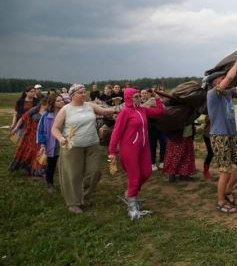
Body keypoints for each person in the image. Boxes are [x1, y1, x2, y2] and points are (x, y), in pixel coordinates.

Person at [51, 83, 118, 214]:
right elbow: (55, 128)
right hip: (72, 147)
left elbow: (104, 111)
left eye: (84, 92)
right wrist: (60, 138)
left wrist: (119, 108)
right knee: (73, 175)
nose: (84, 94)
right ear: (72, 95)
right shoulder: (66, 109)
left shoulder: (90, 106)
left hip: (92, 144)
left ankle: (85, 196)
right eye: (80, 93)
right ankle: (73, 203)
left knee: (95, 172)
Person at [109, 88, 164, 219]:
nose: (138, 98)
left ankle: (130, 194)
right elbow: (116, 133)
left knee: (146, 173)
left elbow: (159, 111)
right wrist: (111, 151)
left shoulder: (142, 110)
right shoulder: (125, 112)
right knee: (134, 177)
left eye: (139, 96)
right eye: (135, 96)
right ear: (128, 97)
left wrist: (157, 97)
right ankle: (132, 209)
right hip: (129, 149)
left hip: (143, 147)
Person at [206, 55, 237, 213]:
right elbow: (231, 76)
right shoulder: (213, 94)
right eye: (223, 78)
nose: (226, 79)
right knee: (225, 170)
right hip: (219, 136)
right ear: (216, 82)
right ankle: (220, 202)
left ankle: (228, 190)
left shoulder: (228, 93)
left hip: (231, 135)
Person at [9, 99, 47, 176]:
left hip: (42, 135)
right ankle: (27, 166)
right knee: (29, 150)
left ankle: (37, 169)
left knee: (39, 151)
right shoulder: (35, 109)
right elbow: (23, 118)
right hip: (31, 135)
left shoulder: (51, 111)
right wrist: (16, 128)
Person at [37, 93, 65, 192]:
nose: (61, 101)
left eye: (62, 100)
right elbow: (40, 130)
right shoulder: (46, 116)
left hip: (65, 142)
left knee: (65, 165)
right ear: (52, 103)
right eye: (58, 100)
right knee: (51, 165)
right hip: (51, 143)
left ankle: (66, 185)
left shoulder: (67, 112)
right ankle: (50, 183)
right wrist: (42, 144)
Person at [141, 88, 167, 172]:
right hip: (151, 127)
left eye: (146, 93)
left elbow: (162, 109)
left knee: (164, 142)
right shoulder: (142, 104)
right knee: (152, 145)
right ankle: (152, 163)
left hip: (161, 125)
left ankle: (162, 161)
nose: (145, 94)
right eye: (143, 93)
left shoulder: (156, 100)